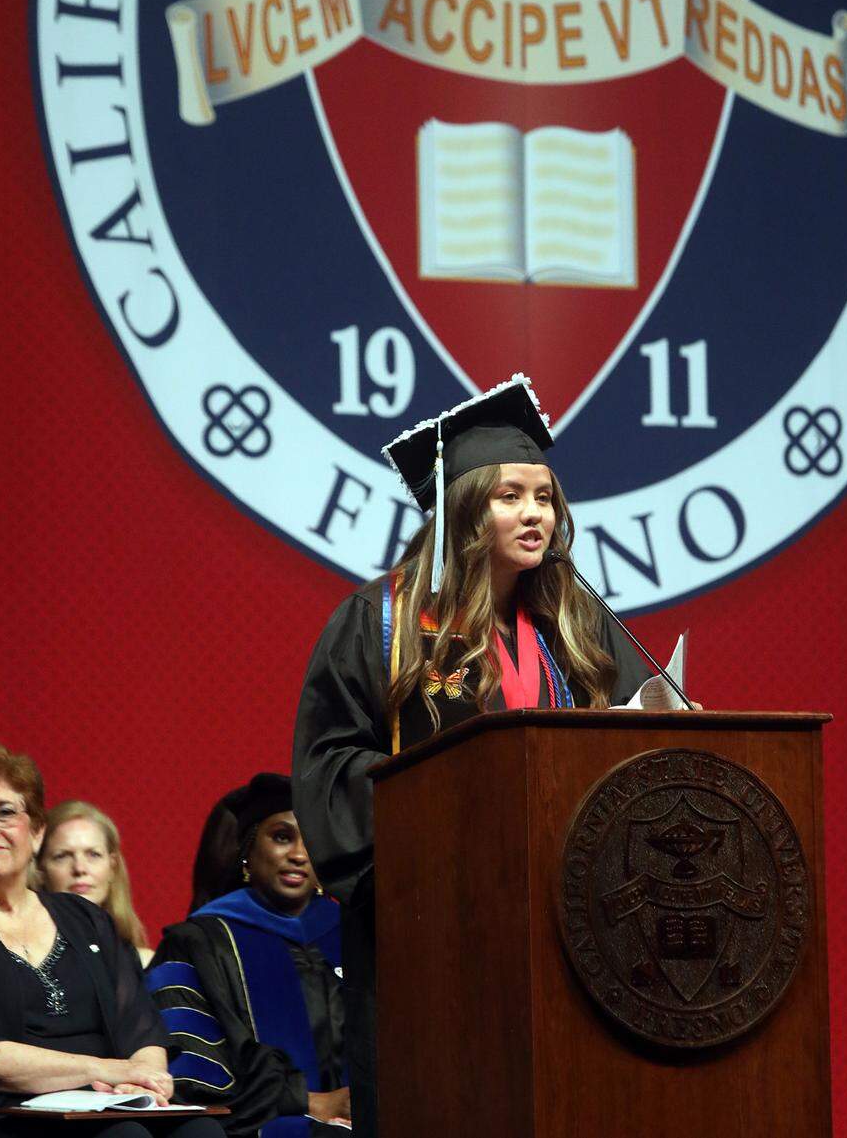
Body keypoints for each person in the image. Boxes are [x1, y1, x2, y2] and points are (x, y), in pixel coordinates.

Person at [292, 374, 652, 1138]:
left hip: (564, 922)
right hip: (436, 930)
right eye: (511, 495)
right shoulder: (380, 624)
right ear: (463, 507)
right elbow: (330, 768)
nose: (535, 515)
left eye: (546, 498)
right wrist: (457, 792)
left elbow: (639, 728)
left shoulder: (575, 623)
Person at [0, 744, 222, 1138]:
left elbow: (141, 1027)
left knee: (200, 1131)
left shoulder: (85, 917)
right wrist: (107, 1069)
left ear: (36, 833)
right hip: (6, 1112)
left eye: (5, 812)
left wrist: (148, 1078)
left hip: (108, 1101)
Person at [146, 773, 348, 1134]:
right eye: (282, 837)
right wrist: (305, 1101)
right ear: (248, 854)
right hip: (262, 1126)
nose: (300, 855)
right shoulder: (198, 942)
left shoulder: (355, 934)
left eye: (311, 841)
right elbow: (192, 1074)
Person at [36, 803, 153, 967]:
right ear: (40, 870)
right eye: (62, 856)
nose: (80, 868)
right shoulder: (28, 962)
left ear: (112, 867)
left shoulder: (146, 964)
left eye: (93, 855)